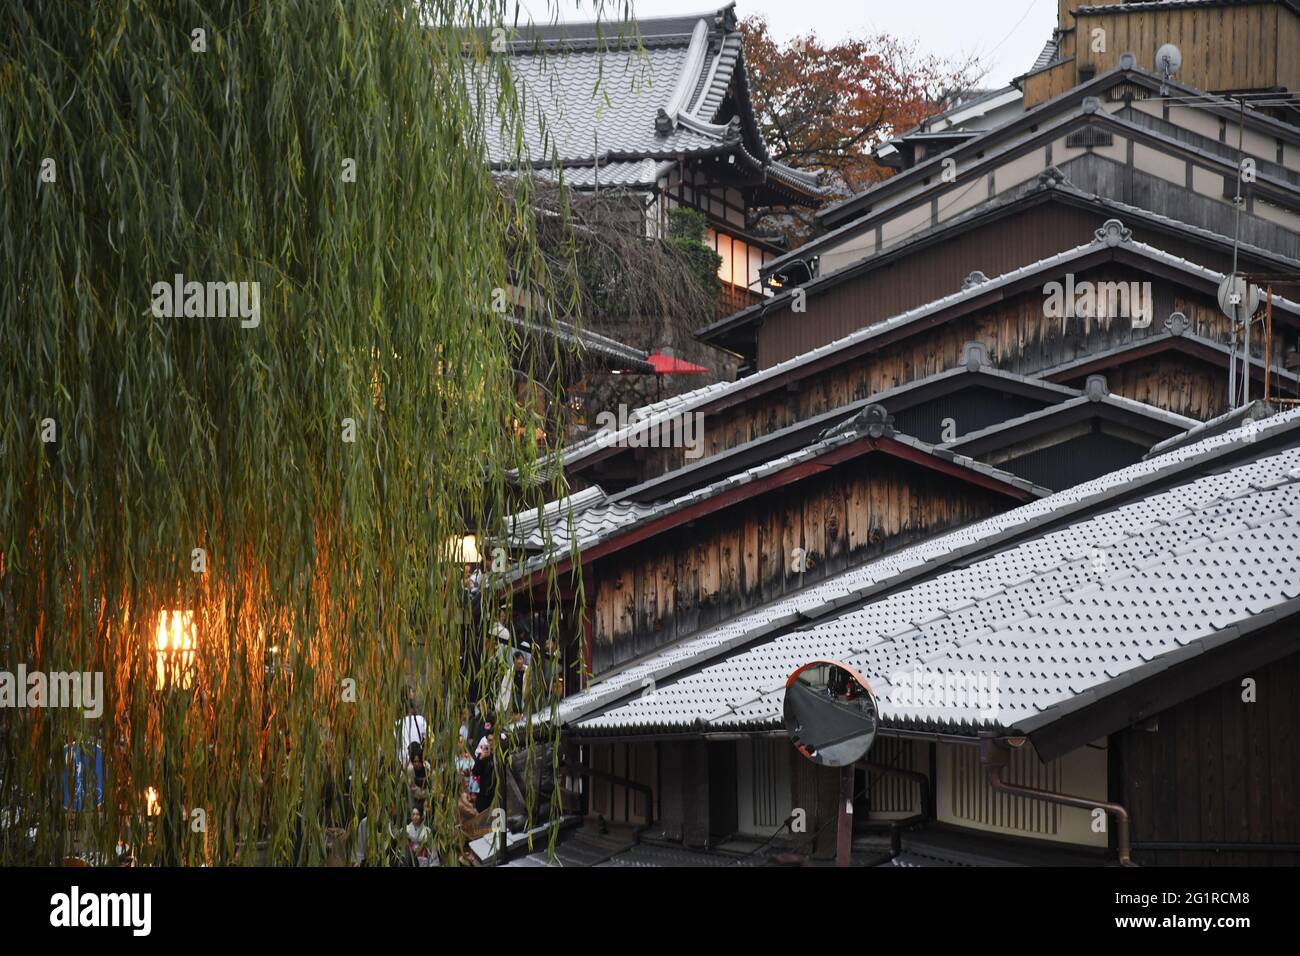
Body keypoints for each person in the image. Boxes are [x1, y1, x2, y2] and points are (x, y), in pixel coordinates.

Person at [406, 749, 430, 814]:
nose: (416, 764)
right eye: (414, 761)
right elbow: (411, 790)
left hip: (428, 802)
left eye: (418, 761)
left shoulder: (428, 770)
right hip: (415, 802)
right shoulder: (410, 771)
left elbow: (432, 790)